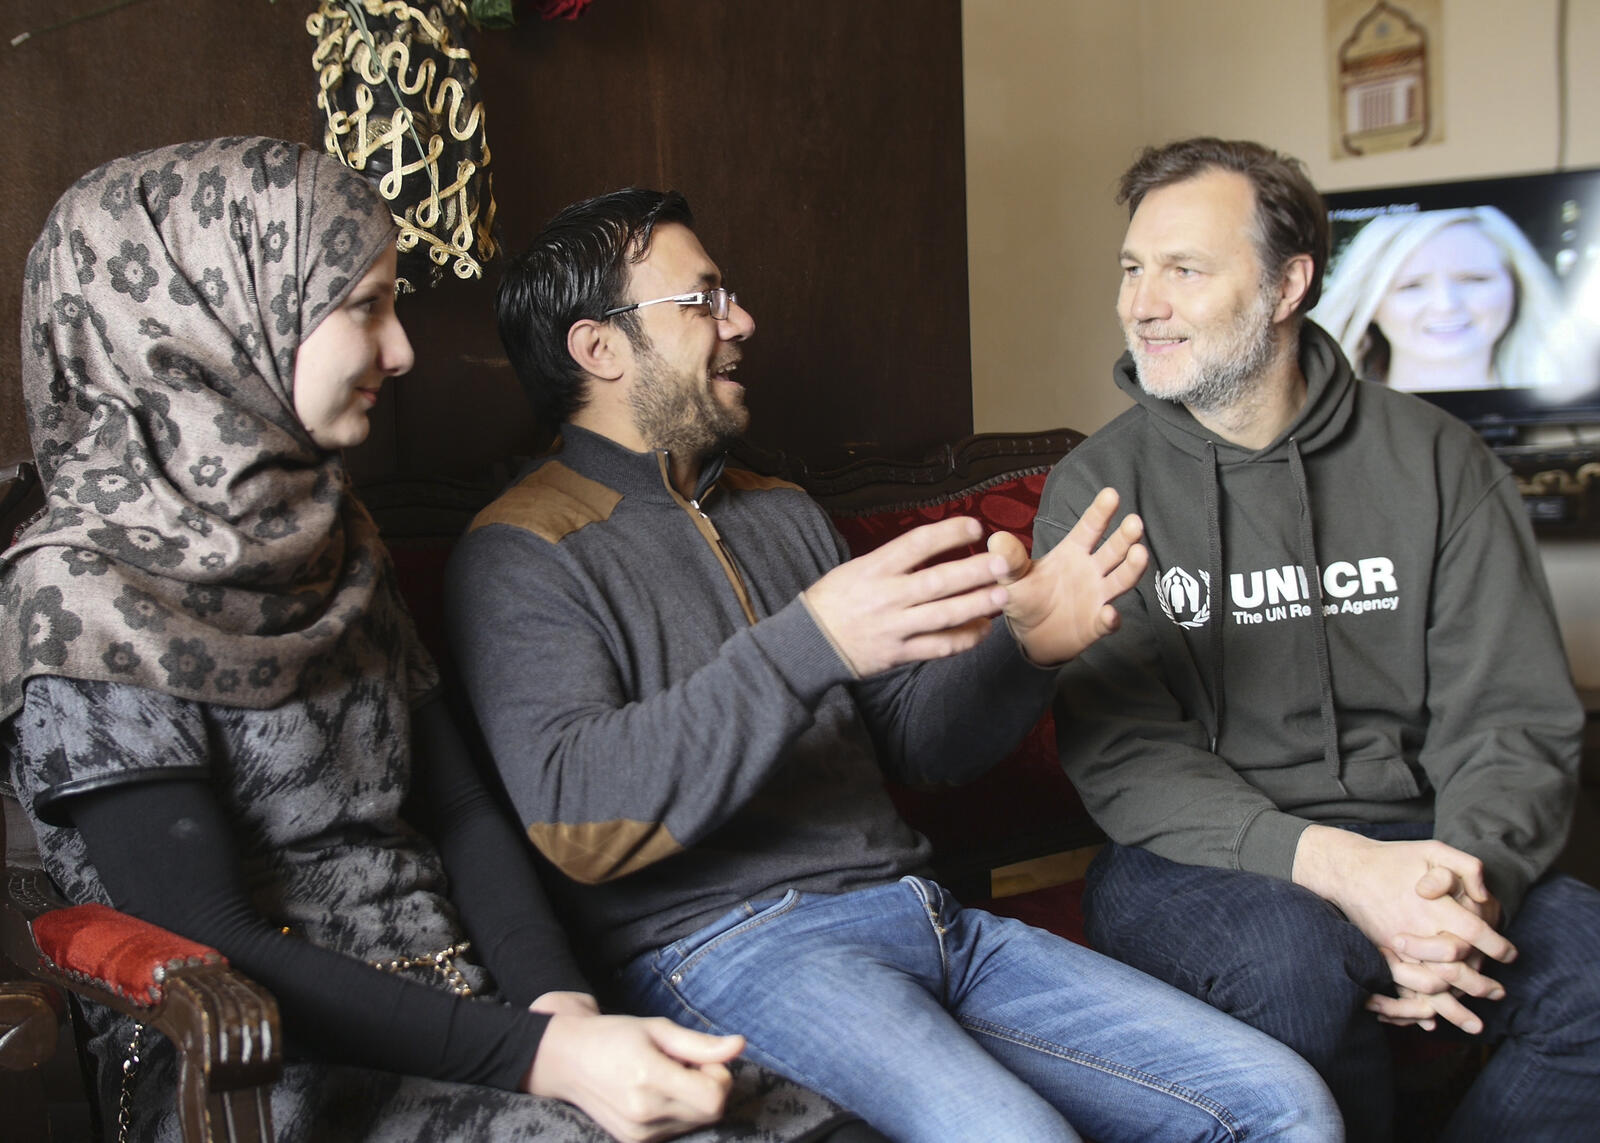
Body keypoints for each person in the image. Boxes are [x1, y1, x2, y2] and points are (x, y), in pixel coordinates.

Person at [0, 137, 869, 1143]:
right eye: (363, 307)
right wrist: (547, 1060)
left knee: (810, 1127)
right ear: (216, 315)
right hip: (260, 1059)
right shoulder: (79, 588)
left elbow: (457, 806)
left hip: (469, 1005)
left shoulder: (332, 535)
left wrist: (559, 1005)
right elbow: (206, 936)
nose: (403, 349)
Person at [444, 186, 1344, 1143]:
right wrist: (809, 641)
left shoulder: (779, 510)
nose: (741, 321)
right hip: (729, 950)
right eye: (704, 301)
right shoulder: (520, 551)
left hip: (925, 916)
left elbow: (916, 743)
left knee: (1284, 1105)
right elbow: (580, 814)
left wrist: (1024, 646)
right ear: (600, 349)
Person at [1034, 136, 1600, 1142]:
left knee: (1592, 971)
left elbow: (1508, 716)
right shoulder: (1098, 489)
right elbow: (1123, 751)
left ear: (1289, 282)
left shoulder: (1438, 460)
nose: (1139, 303)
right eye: (1132, 268)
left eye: (1183, 269)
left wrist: (1460, 891)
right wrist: (1337, 868)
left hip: (1420, 839)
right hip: (1191, 858)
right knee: (1294, 960)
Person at [1312, 205, 1579, 391]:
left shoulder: (1572, 382)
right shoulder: (1333, 418)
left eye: (1474, 279)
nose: (1446, 305)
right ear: (1372, 306)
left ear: (1518, 287)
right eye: (1411, 286)